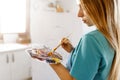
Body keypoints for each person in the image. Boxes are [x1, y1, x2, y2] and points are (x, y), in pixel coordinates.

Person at [37, 0, 120, 80]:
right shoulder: (114, 35)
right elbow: (98, 65)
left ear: (98, 6)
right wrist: (73, 51)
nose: (79, 14)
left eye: (83, 7)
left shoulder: (91, 40)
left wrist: (50, 58)